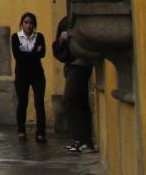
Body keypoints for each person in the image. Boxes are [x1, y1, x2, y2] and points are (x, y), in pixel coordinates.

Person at [54, 15, 95, 153]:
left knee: (69, 102)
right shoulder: (67, 23)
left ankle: (81, 139)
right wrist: (60, 42)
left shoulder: (76, 25)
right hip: (75, 66)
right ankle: (85, 141)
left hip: (79, 67)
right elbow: (58, 50)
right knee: (81, 103)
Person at [11, 11, 47, 142]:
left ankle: (41, 132)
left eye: (31, 23)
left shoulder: (40, 36)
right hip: (21, 75)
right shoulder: (15, 37)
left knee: (39, 103)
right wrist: (33, 53)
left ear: (34, 24)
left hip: (37, 74)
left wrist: (26, 53)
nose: (28, 25)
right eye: (26, 22)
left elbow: (42, 54)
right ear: (22, 24)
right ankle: (21, 130)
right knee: (22, 102)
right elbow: (17, 56)